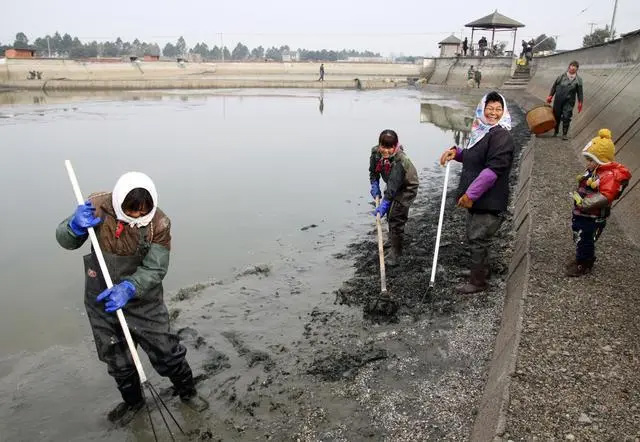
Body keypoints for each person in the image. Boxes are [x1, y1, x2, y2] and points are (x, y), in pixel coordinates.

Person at [56, 172, 209, 426]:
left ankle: (187, 392)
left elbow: (156, 268)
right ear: (119, 203)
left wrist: (129, 287)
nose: (137, 216)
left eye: (143, 211)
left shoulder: (159, 224)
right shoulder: (97, 207)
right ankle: (133, 402)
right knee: (115, 357)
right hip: (102, 296)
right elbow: (65, 241)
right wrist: (73, 227)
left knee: (167, 350)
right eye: (132, 211)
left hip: (142, 299)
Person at [439, 91, 514, 294]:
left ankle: (477, 282)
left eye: (498, 109)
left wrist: (470, 195)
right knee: (477, 236)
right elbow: (475, 156)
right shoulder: (482, 132)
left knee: (477, 237)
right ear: (482, 108)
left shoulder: (501, 136)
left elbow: (492, 171)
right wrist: (457, 153)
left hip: (489, 199)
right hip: (480, 198)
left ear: (504, 112)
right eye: (490, 108)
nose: (493, 113)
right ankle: (481, 270)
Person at [566, 129, 631, 277]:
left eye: (590, 160)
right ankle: (581, 258)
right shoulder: (595, 172)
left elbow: (606, 196)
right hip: (583, 213)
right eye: (587, 160)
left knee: (585, 238)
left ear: (601, 160)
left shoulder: (608, 176)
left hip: (592, 216)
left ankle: (584, 263)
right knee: (579, 234)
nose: (587, 163)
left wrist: (585, 203)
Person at [369, 129, 419, 266]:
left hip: (407, 187)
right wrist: (374, 185)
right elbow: (373, 172)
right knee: (390, 214)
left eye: (390, 147)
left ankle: (396, 252)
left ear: (395, 146)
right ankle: (392, 239)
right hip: (393, 183)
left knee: (396, 217)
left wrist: (383, 205)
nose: (386, 150)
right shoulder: (375, 153)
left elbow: (391, 190)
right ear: (379, 145)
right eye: (383, 146)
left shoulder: (400, 160)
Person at [547, 60, 584, 140]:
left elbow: (580, 92)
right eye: (572, 66)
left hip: (569, 101)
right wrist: (550, 96)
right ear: (569, 67)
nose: (573, 68)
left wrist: (580, 102)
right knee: (556, 116)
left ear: (577, 69)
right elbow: (554, 87)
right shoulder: (561, 76)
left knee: (567, 116)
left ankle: (564, 134)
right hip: (558, 100)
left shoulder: (578, 80)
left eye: (575, 67)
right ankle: (556, 131)